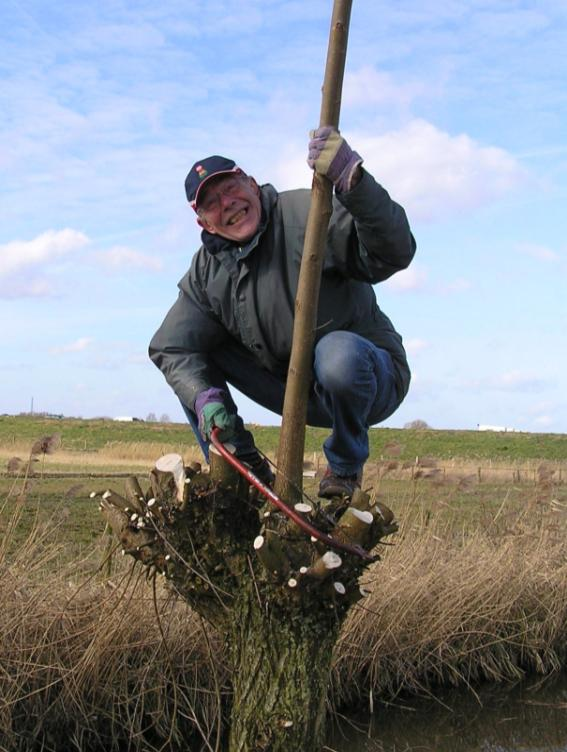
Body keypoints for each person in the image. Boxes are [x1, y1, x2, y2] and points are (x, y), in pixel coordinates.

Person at [149, 127, 416, 498]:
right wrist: (204, 399)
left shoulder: (310, 213)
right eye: (211, 202)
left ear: (253, 184)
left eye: (230, 187)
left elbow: (395, 252)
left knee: (337, 356)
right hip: (293, 390)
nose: (226, 203)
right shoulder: (207, 272)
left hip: (367, 379)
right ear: (203, 222)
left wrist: (354, 182)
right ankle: (243, 474)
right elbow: (171, 347)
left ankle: (344, 469)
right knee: (193, 374)